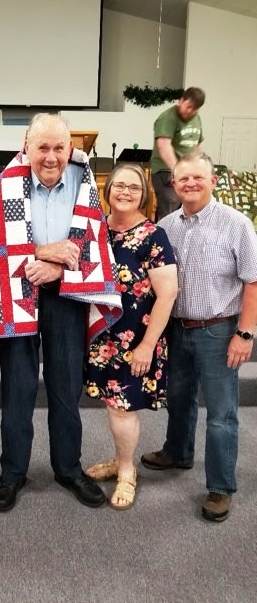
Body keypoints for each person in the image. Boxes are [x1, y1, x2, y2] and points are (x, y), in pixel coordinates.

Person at [0, 114, 119, 512]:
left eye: (58, 148)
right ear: (26, 146)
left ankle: (68, 469)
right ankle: (13, 472)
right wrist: (44, 253)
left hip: (67, 295)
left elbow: (95, 245)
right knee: (18, 388)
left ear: (70, 149)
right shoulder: (6, 184)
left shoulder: (84, 182)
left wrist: (60, 270)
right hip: (18, 292)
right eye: (42, 147)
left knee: (65, 387)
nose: (50, 156)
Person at [142, 152, 257, 522]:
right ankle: (177, 451)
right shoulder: (166, 226)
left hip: (218, 330)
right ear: (173, 184)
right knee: (179, 400)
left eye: (198, 177)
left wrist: (245, 333)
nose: (190, 184)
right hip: (177, 329)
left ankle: (221, 487)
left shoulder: (236, 224)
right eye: (183, 179)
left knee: (221, 414)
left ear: (213, 181)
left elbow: (253, 281)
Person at [84, 165, 177, 509]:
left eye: (134, 187)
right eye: (119, 185)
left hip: (135, 339)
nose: (125, 192)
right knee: (112, 405)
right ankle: (119, 459)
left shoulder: (153, 235)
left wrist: (147, 346)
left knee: (122, 407)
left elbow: (168, 293)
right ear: (107, 190)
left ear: (144, 195)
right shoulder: (95, 229)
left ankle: (126, 470)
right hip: (100, 337)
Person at [150, 87, 205, 221]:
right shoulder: (167, 118)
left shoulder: (196, 118)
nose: (190, 111)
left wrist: (200, 167)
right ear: (181, 100)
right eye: (188, 107)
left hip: (187, 173)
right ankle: (164, 235)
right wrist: (178, 171)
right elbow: (164, 146)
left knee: (188, 212)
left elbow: (197, 145)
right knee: (169, 212)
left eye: (195, 109)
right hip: (166, 172)